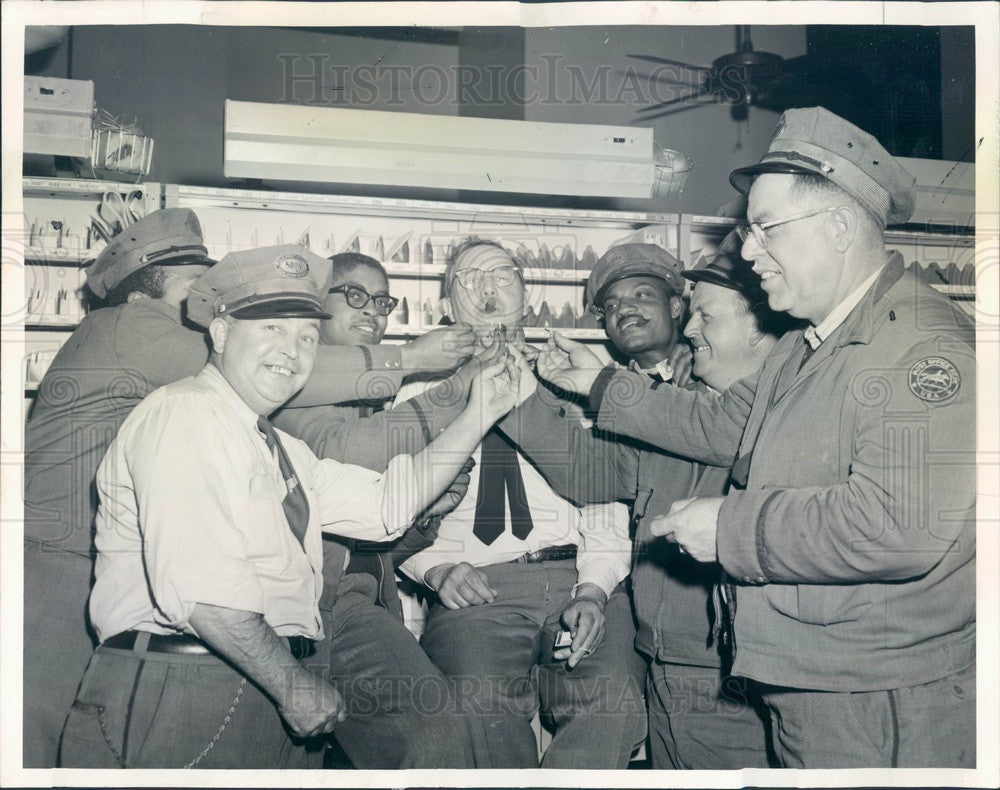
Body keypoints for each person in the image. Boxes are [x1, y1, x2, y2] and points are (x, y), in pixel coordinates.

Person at [532, 107, 976, 768]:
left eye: (765, 229)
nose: (746, 251)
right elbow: (717, 425)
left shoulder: (918, 346)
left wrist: (732, 529)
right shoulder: (804, 345)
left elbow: (902, 525)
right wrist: (600, 384)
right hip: (813, 680)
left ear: (838, 226)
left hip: (880, 696)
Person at [22, 211, 473, 768]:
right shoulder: (136, 335)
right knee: (28, 737)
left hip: (136, 581)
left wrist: (479, 410)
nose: (200, 309)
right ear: (143, 296)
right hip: (59, 565)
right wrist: (417, 362)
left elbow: (378, 509)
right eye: (195, 291)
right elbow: (204, 591)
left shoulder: (249, 425)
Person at [499, 238, 789, 769]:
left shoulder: (769, 404)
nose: (693, 331)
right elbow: (598, 476)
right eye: (610, 305)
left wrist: (604, 384)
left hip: (724, 668)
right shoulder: (677, 394)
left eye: (704, 316)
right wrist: (514, 393)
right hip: (667, 656)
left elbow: (715, 432)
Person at [395, 238, 646, 769]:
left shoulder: (571, 377)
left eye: (504, 276)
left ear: (526, 294)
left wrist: (596, 588)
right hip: (475, 584)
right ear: (445, 306)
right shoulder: (417, 390)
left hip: (575, 573)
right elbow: (384, 502)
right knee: (475, 707)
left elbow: (605, 497)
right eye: (469, 279)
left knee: (614, 703)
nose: (489, 290)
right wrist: (434, 569)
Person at [271, 252, 487, 767]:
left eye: (383, 300)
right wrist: (463, 389)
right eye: (354, 295)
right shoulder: (287, 377)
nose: (372, 310)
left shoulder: (374, 396)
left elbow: (378, 540)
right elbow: (340, 452)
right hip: (289, 610)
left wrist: (429, 510)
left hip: (354, 606)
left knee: (434, 731)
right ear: (315, 306)